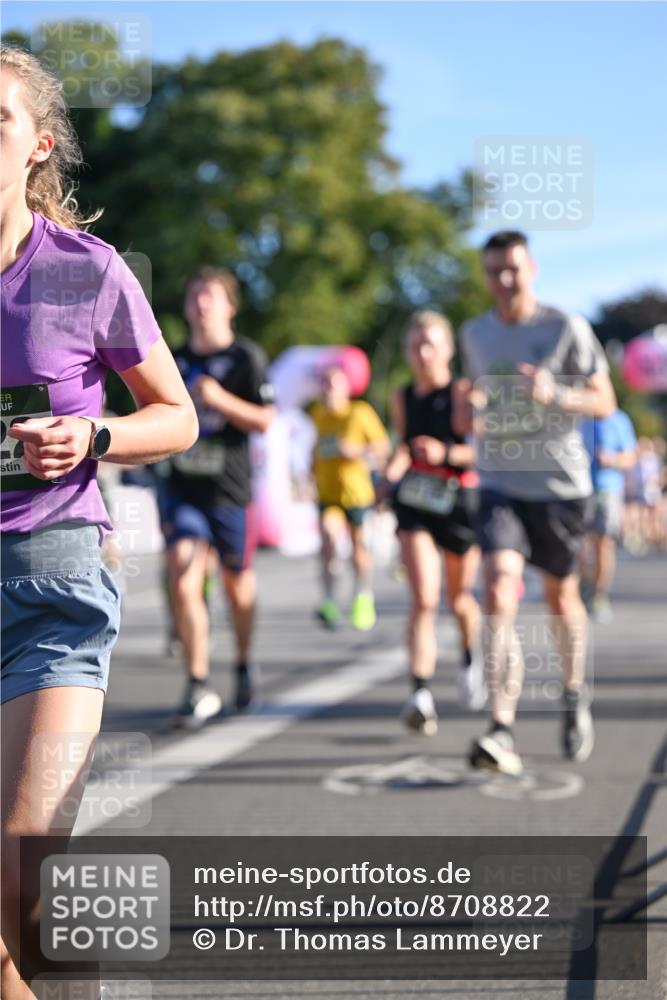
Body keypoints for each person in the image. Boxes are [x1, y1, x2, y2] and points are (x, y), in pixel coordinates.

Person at [0, 45, 197, 1000]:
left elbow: (177, 414)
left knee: (25, 869)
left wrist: (93, 434)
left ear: (37, 145)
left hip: (51, 577)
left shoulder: (86, 271)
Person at [460, 230, 616, 775]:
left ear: (533, 269)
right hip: (500, 482)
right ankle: (501, 726)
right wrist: (470, 407)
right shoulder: (474, 334)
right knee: (499, 590)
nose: (503, 280)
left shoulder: (565, 327)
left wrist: (558, 394)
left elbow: (605, 401)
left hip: (559, 487)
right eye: (493, 270)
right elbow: (476, 400)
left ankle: (573, 694)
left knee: (559, 599)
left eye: (512, 269)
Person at [159, 267, 275, 728]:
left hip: (231, 491)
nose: (200, 304)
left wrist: (220, 400)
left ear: (230, 305)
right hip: (182, 488)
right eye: (193, 296)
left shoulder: (246, 357)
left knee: (237, 586)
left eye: (209, 296)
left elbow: (266, 420)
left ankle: (243, 664)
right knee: (185, 578)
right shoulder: (173, 357)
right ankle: (197, 681)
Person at [382, 312, 484, 735]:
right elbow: (402, 446)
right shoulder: (402, 396)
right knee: (424, 597)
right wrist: (388, 476)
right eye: (416, 346)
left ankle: (469, 657)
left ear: (448, 350)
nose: (423, 354)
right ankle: (420, 693)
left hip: (458, 503)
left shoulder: (462, 393)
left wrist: (445, 453)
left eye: (432, 345)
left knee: (458, 599)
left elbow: (480, 451)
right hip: (416, 503)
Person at [310, 364, 389, 631]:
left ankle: (362, 594)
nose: (329, 389)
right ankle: (329, 600)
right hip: (328, 493)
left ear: (346, 387)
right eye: (325, 383)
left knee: (358, 549)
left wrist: (355, 451)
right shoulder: (318, 414)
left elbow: (382, 448)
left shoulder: (360, 412)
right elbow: (315, 451)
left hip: (357, 494)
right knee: (329, 540)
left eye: (334, 383)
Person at [579, 409, 638, 622]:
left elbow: (630, 457)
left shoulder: (619, 420)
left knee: (603, 543)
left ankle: (599, 595)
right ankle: (584, 585)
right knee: (578, 544)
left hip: (608, 489)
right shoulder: (579, 416)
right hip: (578, 488)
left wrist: (612, 459)